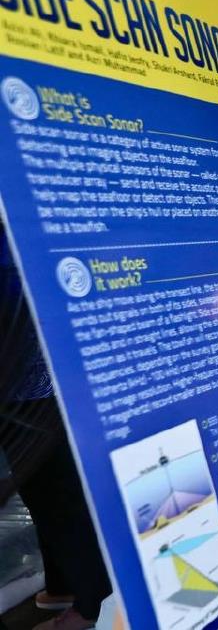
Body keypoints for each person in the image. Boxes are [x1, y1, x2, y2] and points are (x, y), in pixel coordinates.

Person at [1, 226, 112, 630]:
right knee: (41, 489)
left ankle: (87, 601)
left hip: (29, 377)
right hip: (29, 377)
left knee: (56, 492)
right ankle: (66, 584)